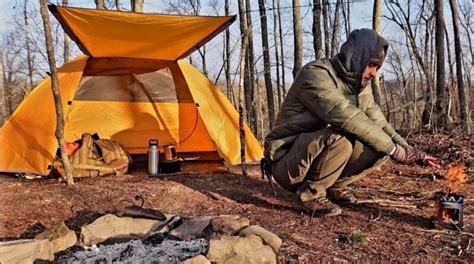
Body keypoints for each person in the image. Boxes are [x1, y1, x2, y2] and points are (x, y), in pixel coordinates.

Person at [263, 28, 439, 217]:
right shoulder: (315, 75)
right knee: (342, 139)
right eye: (371, 65)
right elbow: (348, 117)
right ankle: (309, 195)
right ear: (356, 58)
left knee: (380, 147)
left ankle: (331, 186)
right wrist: (396, 151)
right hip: (287, 161)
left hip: (313, 154)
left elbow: (378, 123)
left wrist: (411, 152)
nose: (374, 73)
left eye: (378, 68)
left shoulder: (359, 86)